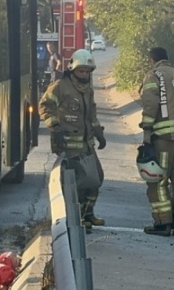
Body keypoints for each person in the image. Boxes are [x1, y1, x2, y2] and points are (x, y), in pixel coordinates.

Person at [39, 49, 106, 231]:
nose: (84, 74)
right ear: (73, 70)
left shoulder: (88, 90)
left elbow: (91, 115)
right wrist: (55, 127)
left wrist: (98, 132)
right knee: (80, 182)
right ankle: (78, 217)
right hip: (68, 143)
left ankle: (88, 214)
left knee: (96, 178)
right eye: (80, 71)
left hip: (86, 143)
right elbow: (45, 106)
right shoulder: (60, 86)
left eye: (87, 71)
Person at [138, 47, 174, 238]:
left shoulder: (153, 76)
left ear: (152, 60)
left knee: (158, 182)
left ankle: (163, 223)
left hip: (163, 139)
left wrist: (147, 131)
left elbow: (151, 104)